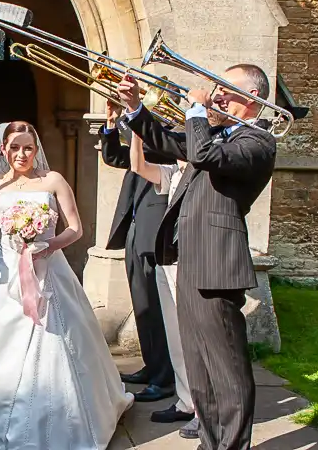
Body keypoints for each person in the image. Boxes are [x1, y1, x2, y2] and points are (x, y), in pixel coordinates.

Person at [0, 121, 134, 450]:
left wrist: (50, 245)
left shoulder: (53, 180)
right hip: (8, 272)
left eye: (28, 147)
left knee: (57, 336)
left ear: (36, 148)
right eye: (14, 147)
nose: (21, 154)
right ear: (4, 150)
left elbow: (76, 228)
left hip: (49, 270)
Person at [118, 64, 277, 450]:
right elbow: (165, 142)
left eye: (226, 89)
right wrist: (136, 108)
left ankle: (233, 443)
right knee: (199, 363)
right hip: (189, 258)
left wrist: (195, 112)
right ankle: (209, 439)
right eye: (216, 89)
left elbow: (203, 153)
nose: (216, 95)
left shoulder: (257, 142)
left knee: (226, 365)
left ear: (252, 98)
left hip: (217, 262)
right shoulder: (218, 135)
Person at [99, 100, 176, 402]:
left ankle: (166, 377)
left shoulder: (169, 139)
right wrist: (109, 123)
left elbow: (144, 154)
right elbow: (113, 157)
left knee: (157, 308)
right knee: (143, 304)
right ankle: (152, 365)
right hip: (134, 226)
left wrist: (136, 121)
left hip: (154, 230)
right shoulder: (145, 138)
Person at [128, 130, 199, 435]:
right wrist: (135, 128)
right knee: (174, 336)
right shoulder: (174, 172)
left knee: (193, 339)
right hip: (167, 259)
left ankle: (203, 409)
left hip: (193, 261)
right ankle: (185, 402)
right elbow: (138, 167)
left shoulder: (205, 170)